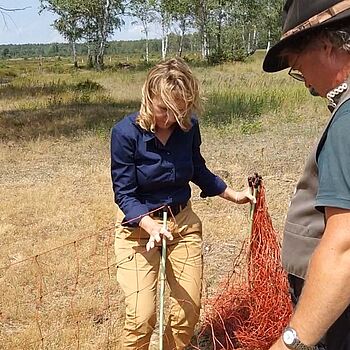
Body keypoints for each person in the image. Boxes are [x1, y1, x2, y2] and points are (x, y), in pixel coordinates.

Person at [111, 57, 254, 349]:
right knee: (142, 317)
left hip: (182, 225)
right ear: (148, 97)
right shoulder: (125, 134)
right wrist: (150, 226)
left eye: (177, 111)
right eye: (162, 109)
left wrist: (233, 194)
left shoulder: (188, 128)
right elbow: (124, 193)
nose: (168, 119)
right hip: (138, 233)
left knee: (186, 313)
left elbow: (198, 169)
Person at [262, 1, 350, 349]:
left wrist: (292, 342)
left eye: (299, 69)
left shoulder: (347, 121)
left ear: (327, 47)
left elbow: (344, 247)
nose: (304, 82)